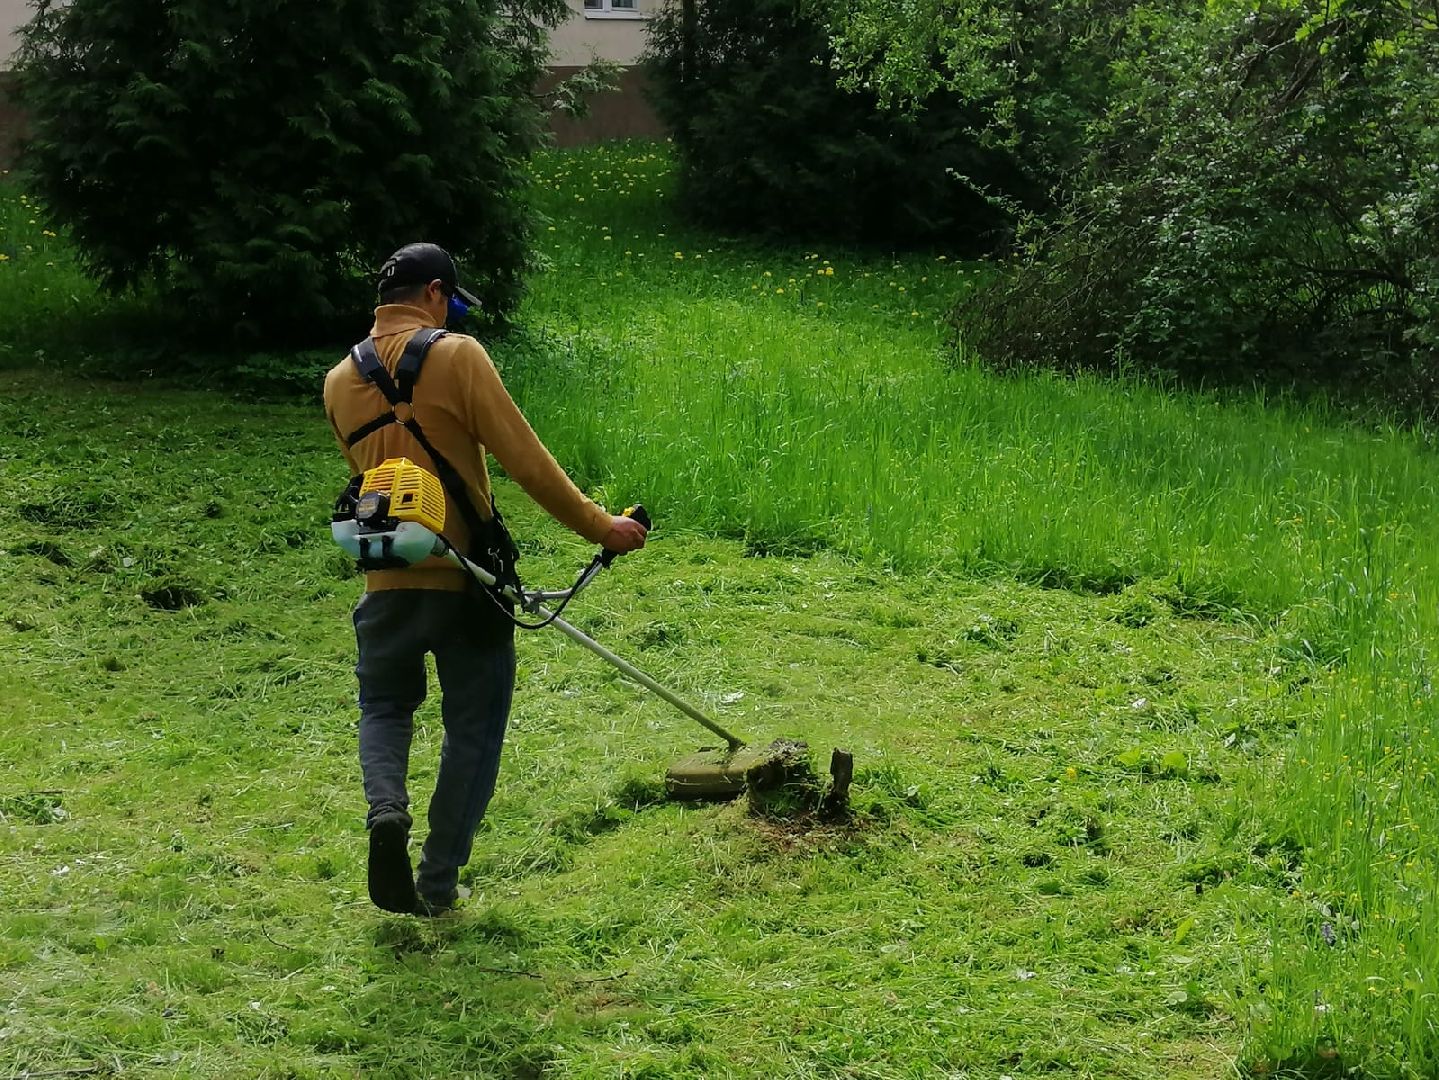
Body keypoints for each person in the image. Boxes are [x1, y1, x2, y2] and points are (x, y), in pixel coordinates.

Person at [323, 242, 647, 916]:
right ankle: (437, 885)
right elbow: (527, 464)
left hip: (384, 581)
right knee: (473, 728)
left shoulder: (337, 380)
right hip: (466, 584)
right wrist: (602, 528)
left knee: (384, 708)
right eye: (450, 302)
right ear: (435, 294)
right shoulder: (458, 355)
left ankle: (387, 812)